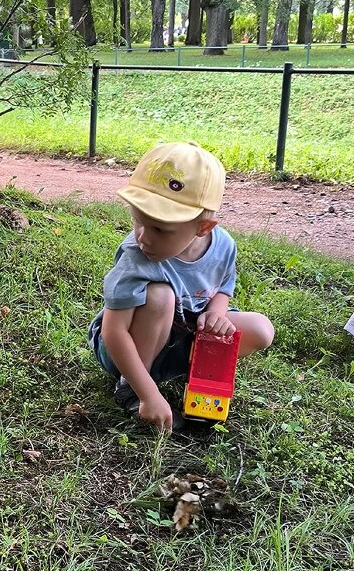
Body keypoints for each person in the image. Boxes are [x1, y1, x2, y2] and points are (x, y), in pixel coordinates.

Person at [88, 141, 275, 432]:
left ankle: (194, 371)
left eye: (160, 229)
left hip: (182, 333)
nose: (143, 237)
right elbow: (114, 332)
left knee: (261, 329)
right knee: (160, 296)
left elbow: (224, 284)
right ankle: (132, 387)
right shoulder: (135, 257)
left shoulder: (223, 246)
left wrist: (217, 311)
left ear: (203, 228)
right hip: (129, 345)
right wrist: (149, 395)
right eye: (138, 220)